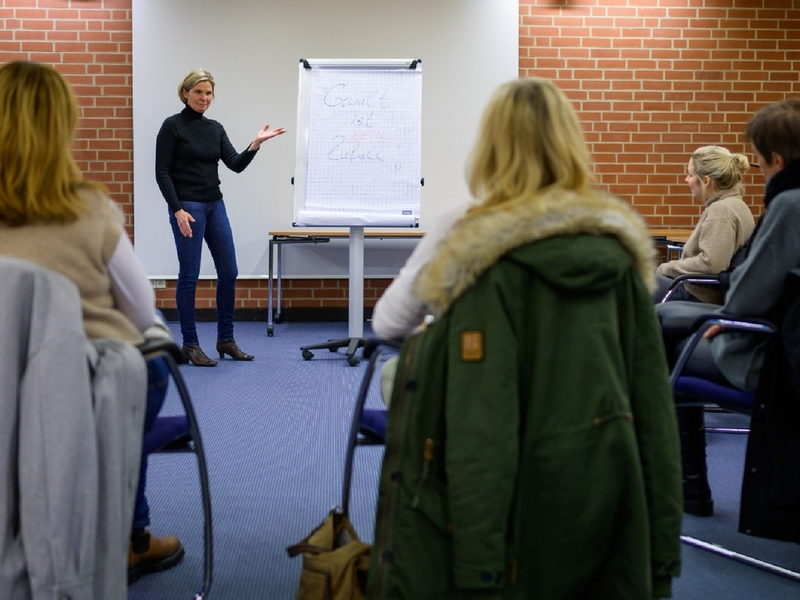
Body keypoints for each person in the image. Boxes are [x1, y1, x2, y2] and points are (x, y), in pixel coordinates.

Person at [368, 78, 683, 599]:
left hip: (491, 460)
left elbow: (387, 325)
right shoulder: (617, 246)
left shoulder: (468, 233)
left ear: (490, 146)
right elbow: (652, 403)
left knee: (397, 373)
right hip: (600, 466)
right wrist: (661, 552)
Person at [0, 61, 183, 582]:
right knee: (139, 363)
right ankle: (130, 537)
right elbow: (142, 311)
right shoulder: (89, 208)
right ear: (63, 128)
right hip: (85, 389)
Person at [657, 98, 800, 522]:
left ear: (776, 158)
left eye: (757, 161)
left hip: (774, 358)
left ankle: (686, 487)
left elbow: (746, 286)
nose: (755, 170)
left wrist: (727, 316)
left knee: (668, 336)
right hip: (782, 343)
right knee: (665, 319)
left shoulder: (789, 205)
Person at [155, 68, 286, 366]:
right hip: (187, 206)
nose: (204, 98)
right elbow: (162, 172)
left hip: (215, 205)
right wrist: (177, 210)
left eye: (208, 93)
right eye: (198, 92)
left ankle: (226, 340)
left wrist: (255, 144)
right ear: (185, 93)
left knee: (229, 272)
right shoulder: (172, 126)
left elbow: (235, 164)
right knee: (189, 275)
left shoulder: (215, 128)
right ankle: (190, 345)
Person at [653, 145, 755, 303]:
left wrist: (666, 268)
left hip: (695, 294)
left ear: (706, 181)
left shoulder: (722, 211)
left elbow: (711, 264)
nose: (686, 180)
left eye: (690, 174)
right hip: (695, 289)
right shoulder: (733, 205)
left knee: (629, 283)